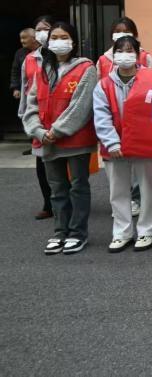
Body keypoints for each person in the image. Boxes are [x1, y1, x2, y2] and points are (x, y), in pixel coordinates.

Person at [21, 22, 98, 254]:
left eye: (64, 37)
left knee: (78, 187)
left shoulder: (86, 68)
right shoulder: (43, 69)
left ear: (73, 41)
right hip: (46, 139)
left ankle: (77, 233)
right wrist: (37, 131)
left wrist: (57, 130)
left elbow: (81, 106)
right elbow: (31, 103)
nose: (58, 41)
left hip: (74, 140)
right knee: (57, 190)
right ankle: (60, 232)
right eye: (54, 37)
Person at [93, 35, 152, 253]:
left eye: (130, 50)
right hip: (114, 149)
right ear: (113, 55)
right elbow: (101, 116)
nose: (125, 55)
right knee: (118, 192)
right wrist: (112, 142)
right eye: (120, 51)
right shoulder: (103, 85)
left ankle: (148, 231)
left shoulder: (150, 80)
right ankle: (121, 233)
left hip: (144, 146)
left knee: (149, 189)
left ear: (138, 54)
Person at [12, 24, 51, 219]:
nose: (42, 32)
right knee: (41, 164)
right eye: (39, 28)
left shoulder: (61, 57)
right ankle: (48, 204)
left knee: (63, 165)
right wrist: (24, 115)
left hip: (58, 116)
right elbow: (25, 87)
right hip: (37, 117)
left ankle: (66, 201)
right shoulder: (26, 58)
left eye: (46, 28)